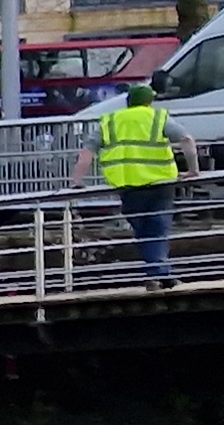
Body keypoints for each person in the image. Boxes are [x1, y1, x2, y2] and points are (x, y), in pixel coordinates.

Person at [78, 79, 195, 286]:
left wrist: (76, 181)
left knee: (143, 230)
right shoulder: (158, 117)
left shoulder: (110, 120)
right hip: (160, 183)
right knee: (157, 228)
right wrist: (193, 170)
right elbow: (186, 139)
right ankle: (159, 273)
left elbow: (88, 151)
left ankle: (157, 274)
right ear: (150, 101)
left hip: (128, 185)